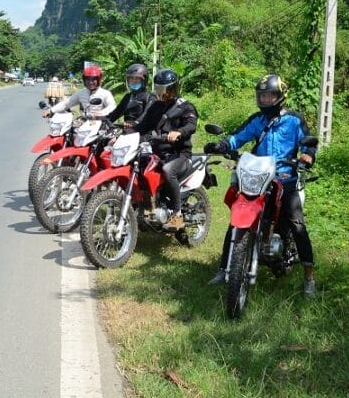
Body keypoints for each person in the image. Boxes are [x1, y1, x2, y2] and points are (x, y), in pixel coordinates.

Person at [205, 74, 318, 298]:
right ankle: (223, 269)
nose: (265, 99)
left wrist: (307, 156)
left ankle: (309, 277)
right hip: (258, 177)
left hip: (285, 179)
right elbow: (238, 137)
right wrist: (222, 144)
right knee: (236, 219)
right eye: (262, 96)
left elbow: (310, 141)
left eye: (270, 95)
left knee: (297, 224)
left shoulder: (294, 120)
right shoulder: (257, 120)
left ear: (280, 96)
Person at [133, 68, 198, 231]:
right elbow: (142, 126)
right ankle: (144, 207)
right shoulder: (155, 106)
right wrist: (124, 135)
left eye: (166, 90)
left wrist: (179, 132)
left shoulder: (185, 106)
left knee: (169, 170)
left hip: (179, 154)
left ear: (174, 88)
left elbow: (191, 124)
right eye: (159, 90)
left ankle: (177, 214)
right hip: (156, 153)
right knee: (136, 166)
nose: (163, 94)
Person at [42, 65, 116, 119]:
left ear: (98, 80)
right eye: (88, 79)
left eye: (93, 79)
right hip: (85, 123)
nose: (90, 82)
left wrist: (101, 113)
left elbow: (112, 106)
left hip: (102, 125)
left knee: (111, 140)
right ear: (84, 80)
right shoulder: (81, 93)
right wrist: (51, 110)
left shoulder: (105, 93)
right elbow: (66, 104)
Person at [107, 63, 156, 128]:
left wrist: (136, 122)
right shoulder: (127, 97)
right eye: (131, 78)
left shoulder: (150, 97)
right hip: (128, 132)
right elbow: (116, 113)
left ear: (144, 80)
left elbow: (146, 115)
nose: (134, 81)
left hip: (144, 133)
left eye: (137, 79)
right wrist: (104, 120)